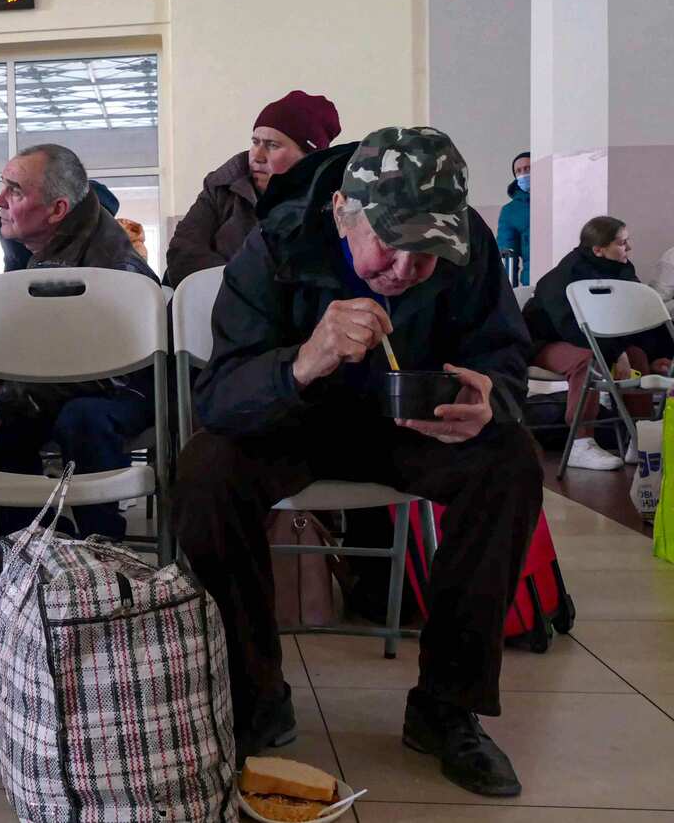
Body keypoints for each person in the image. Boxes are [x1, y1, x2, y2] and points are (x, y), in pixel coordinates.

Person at [175, 127, 539, 798]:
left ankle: (446, 706)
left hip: (412, 419)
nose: (403, 271)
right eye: (389, 245)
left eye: (426, 255)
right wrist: (303, 360)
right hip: (294, 418)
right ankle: (255, 694)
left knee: (509, 461)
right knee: (206, 471)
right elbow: (221, 395)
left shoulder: (469, 245)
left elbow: (505, 354)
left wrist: (494, 397)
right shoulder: (276, 246)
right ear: (343, 211)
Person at [0, 144, 158, 541]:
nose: (0, 201)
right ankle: (28, 551)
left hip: (118, 385)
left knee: (82, 418)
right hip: (63, 381)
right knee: (7, 426)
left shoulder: (116, 266)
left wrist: (5, 397)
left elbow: (108, 370)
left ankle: (100, 553)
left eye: (15, 191)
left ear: (57, 211)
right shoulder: (36, 247)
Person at [523, 217, 672, 470]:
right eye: (622, 243)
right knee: (587, 359)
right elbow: (572, 330)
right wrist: (616, 352)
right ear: (598, 250)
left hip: (592, 341)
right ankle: (581, 442)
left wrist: (660, 353)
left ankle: (638, 438)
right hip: (544, 342)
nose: (629, 248)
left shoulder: (623, 271)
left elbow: (632, 318)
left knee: (637, 354)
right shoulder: (564, 277)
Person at [166, 90, 341, 287]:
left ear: (308, 159)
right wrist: (241, 291)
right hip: (209, 306)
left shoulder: (334, 207)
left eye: (273, 145)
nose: (257, 156)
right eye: (255, 142)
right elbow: (183, 251)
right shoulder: (221, 187)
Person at [497, 151, 531, 287]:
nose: (523, 174)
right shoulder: (510, 211)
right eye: (518, 171)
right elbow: (507, 254)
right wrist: (509, 291)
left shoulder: (557, 198)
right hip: (532, 282)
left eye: (528, 168)